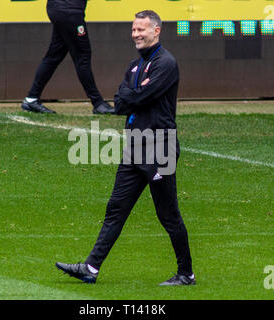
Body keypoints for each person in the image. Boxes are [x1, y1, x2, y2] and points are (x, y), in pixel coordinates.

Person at [56, 10, 195, 286]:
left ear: (157, 31)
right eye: (133, 30)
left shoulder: (166, 64)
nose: (136, 34)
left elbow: (141, 97)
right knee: (116, 208)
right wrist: (133, 95)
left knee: (168, 215)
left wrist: (134, 95)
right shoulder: (134, 67)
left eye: (142, 29)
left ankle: (186, 274)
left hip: (160, 149)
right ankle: (91, 269)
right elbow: (121, 102)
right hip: (135, 148)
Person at [21, 0, 115, 114]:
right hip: (69, 10)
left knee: (54, 55)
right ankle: (98, 103)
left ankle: (31, 99)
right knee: (82, 56)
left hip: (60, 9)